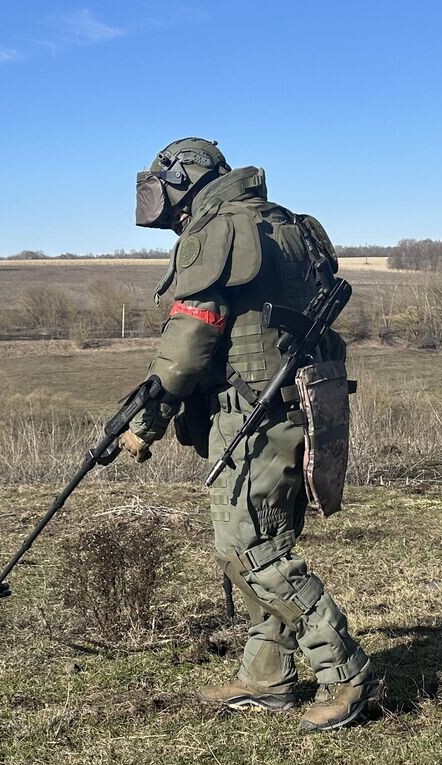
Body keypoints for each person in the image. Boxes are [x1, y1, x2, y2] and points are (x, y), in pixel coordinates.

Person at [122, 137, 379, 731]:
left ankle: (345, 671)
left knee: (251, 547)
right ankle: (267, 675)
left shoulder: (218, 231)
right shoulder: (292, 226)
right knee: (263, 542)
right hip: (305, 403)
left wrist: (145, 422)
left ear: (183, 182)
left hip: (255, 413)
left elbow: (192, 337)